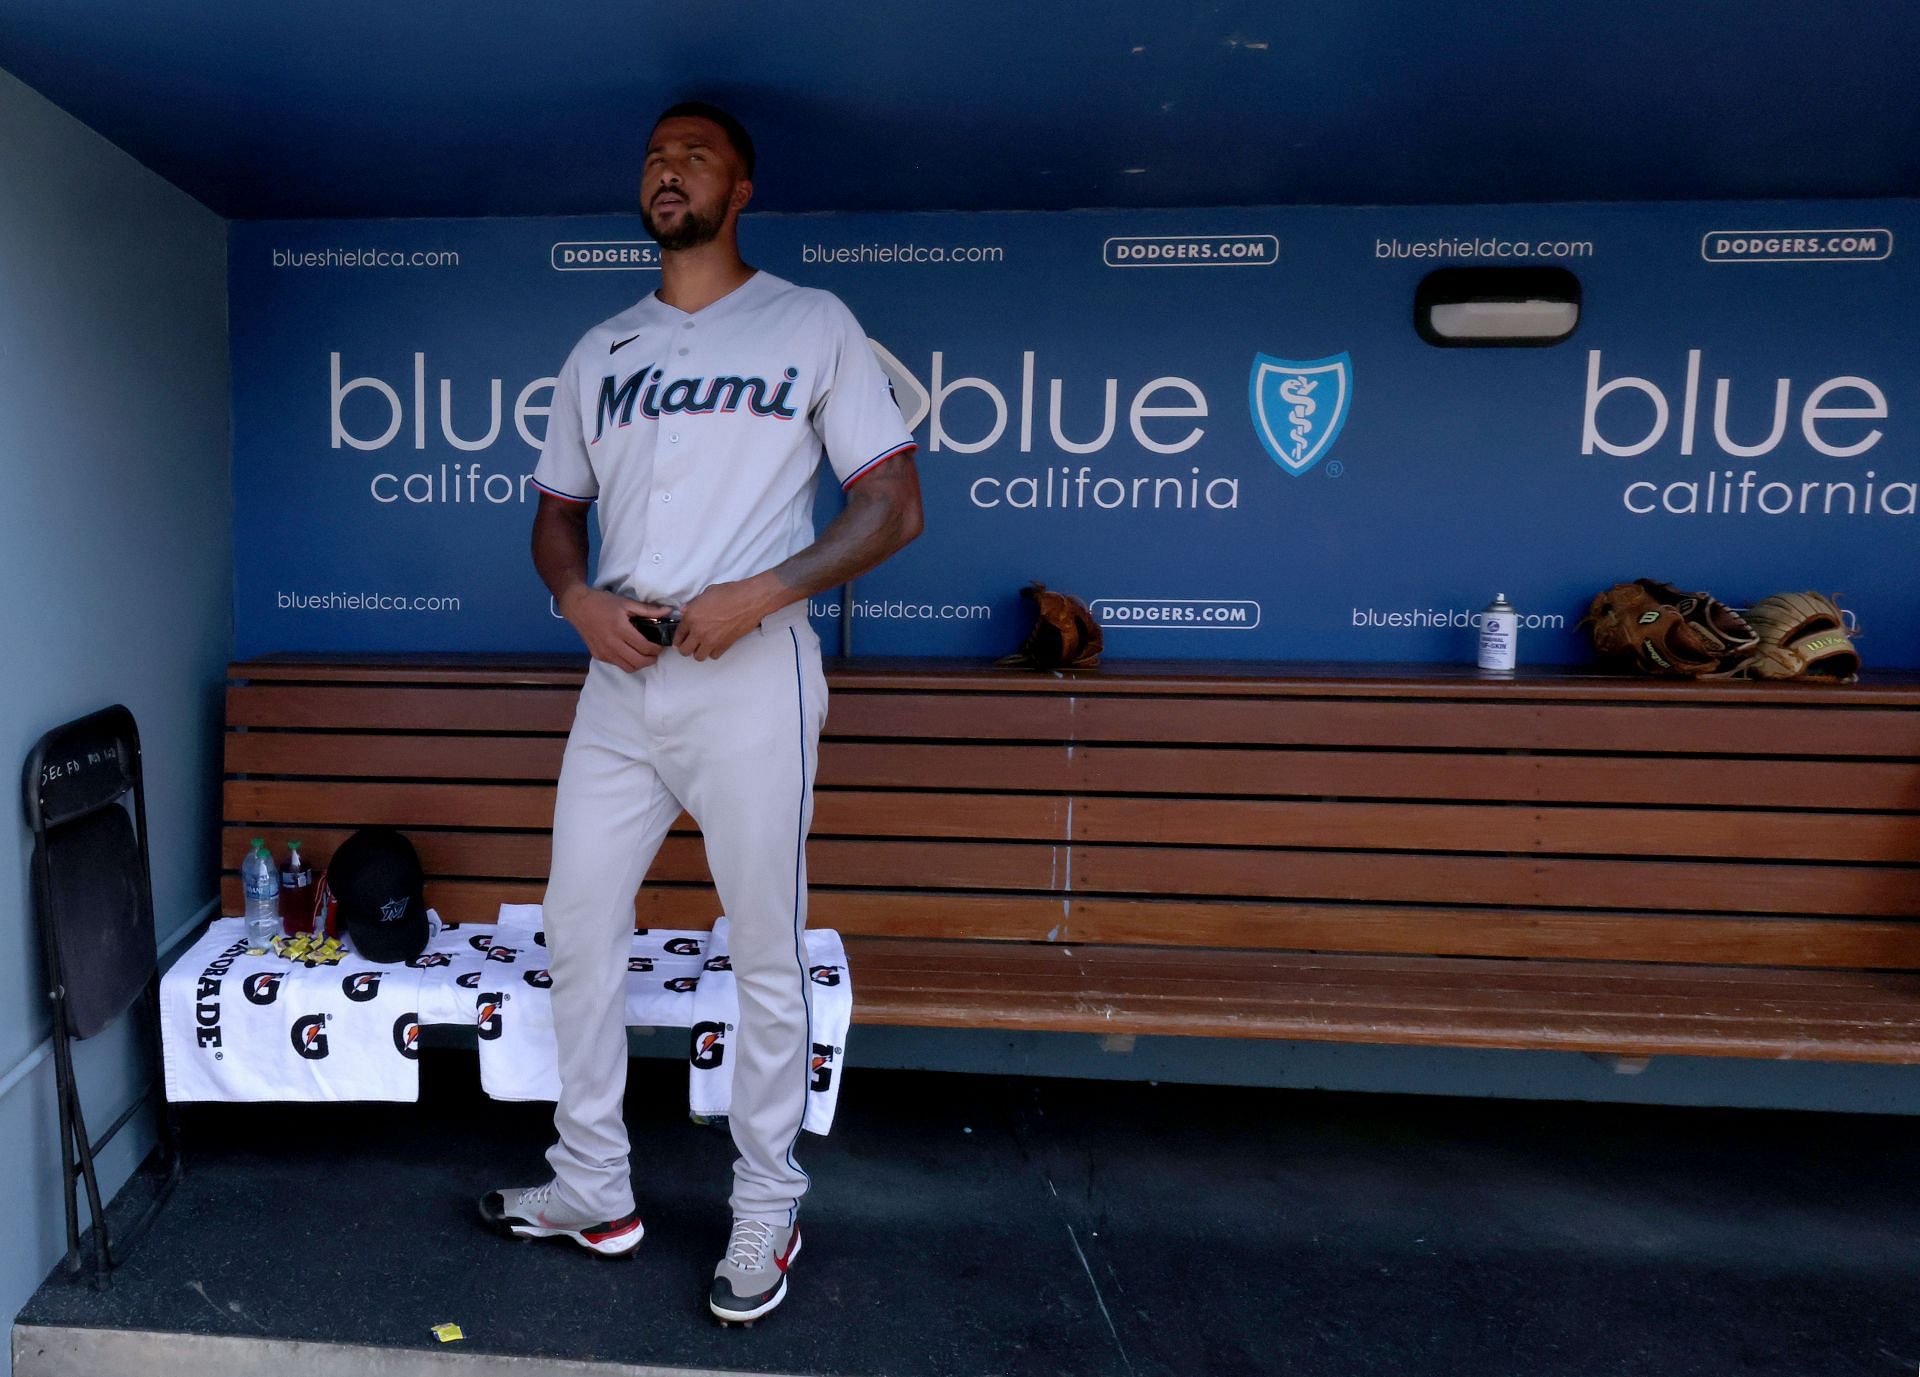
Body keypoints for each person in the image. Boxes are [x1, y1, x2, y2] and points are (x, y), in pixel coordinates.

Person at [479, 99, 923, 1325]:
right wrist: (572, 596)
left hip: (750, 667)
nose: (668, 171)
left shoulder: (811, 321)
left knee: (765, 949)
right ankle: (592, 1185)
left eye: (697, 157)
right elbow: (557, 508)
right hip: (621, 672)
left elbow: (893, 506)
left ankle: (768, 1203)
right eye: (654, 156)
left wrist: (766, 591)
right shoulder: (601, 346)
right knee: (577, 928)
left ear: (742, 190)